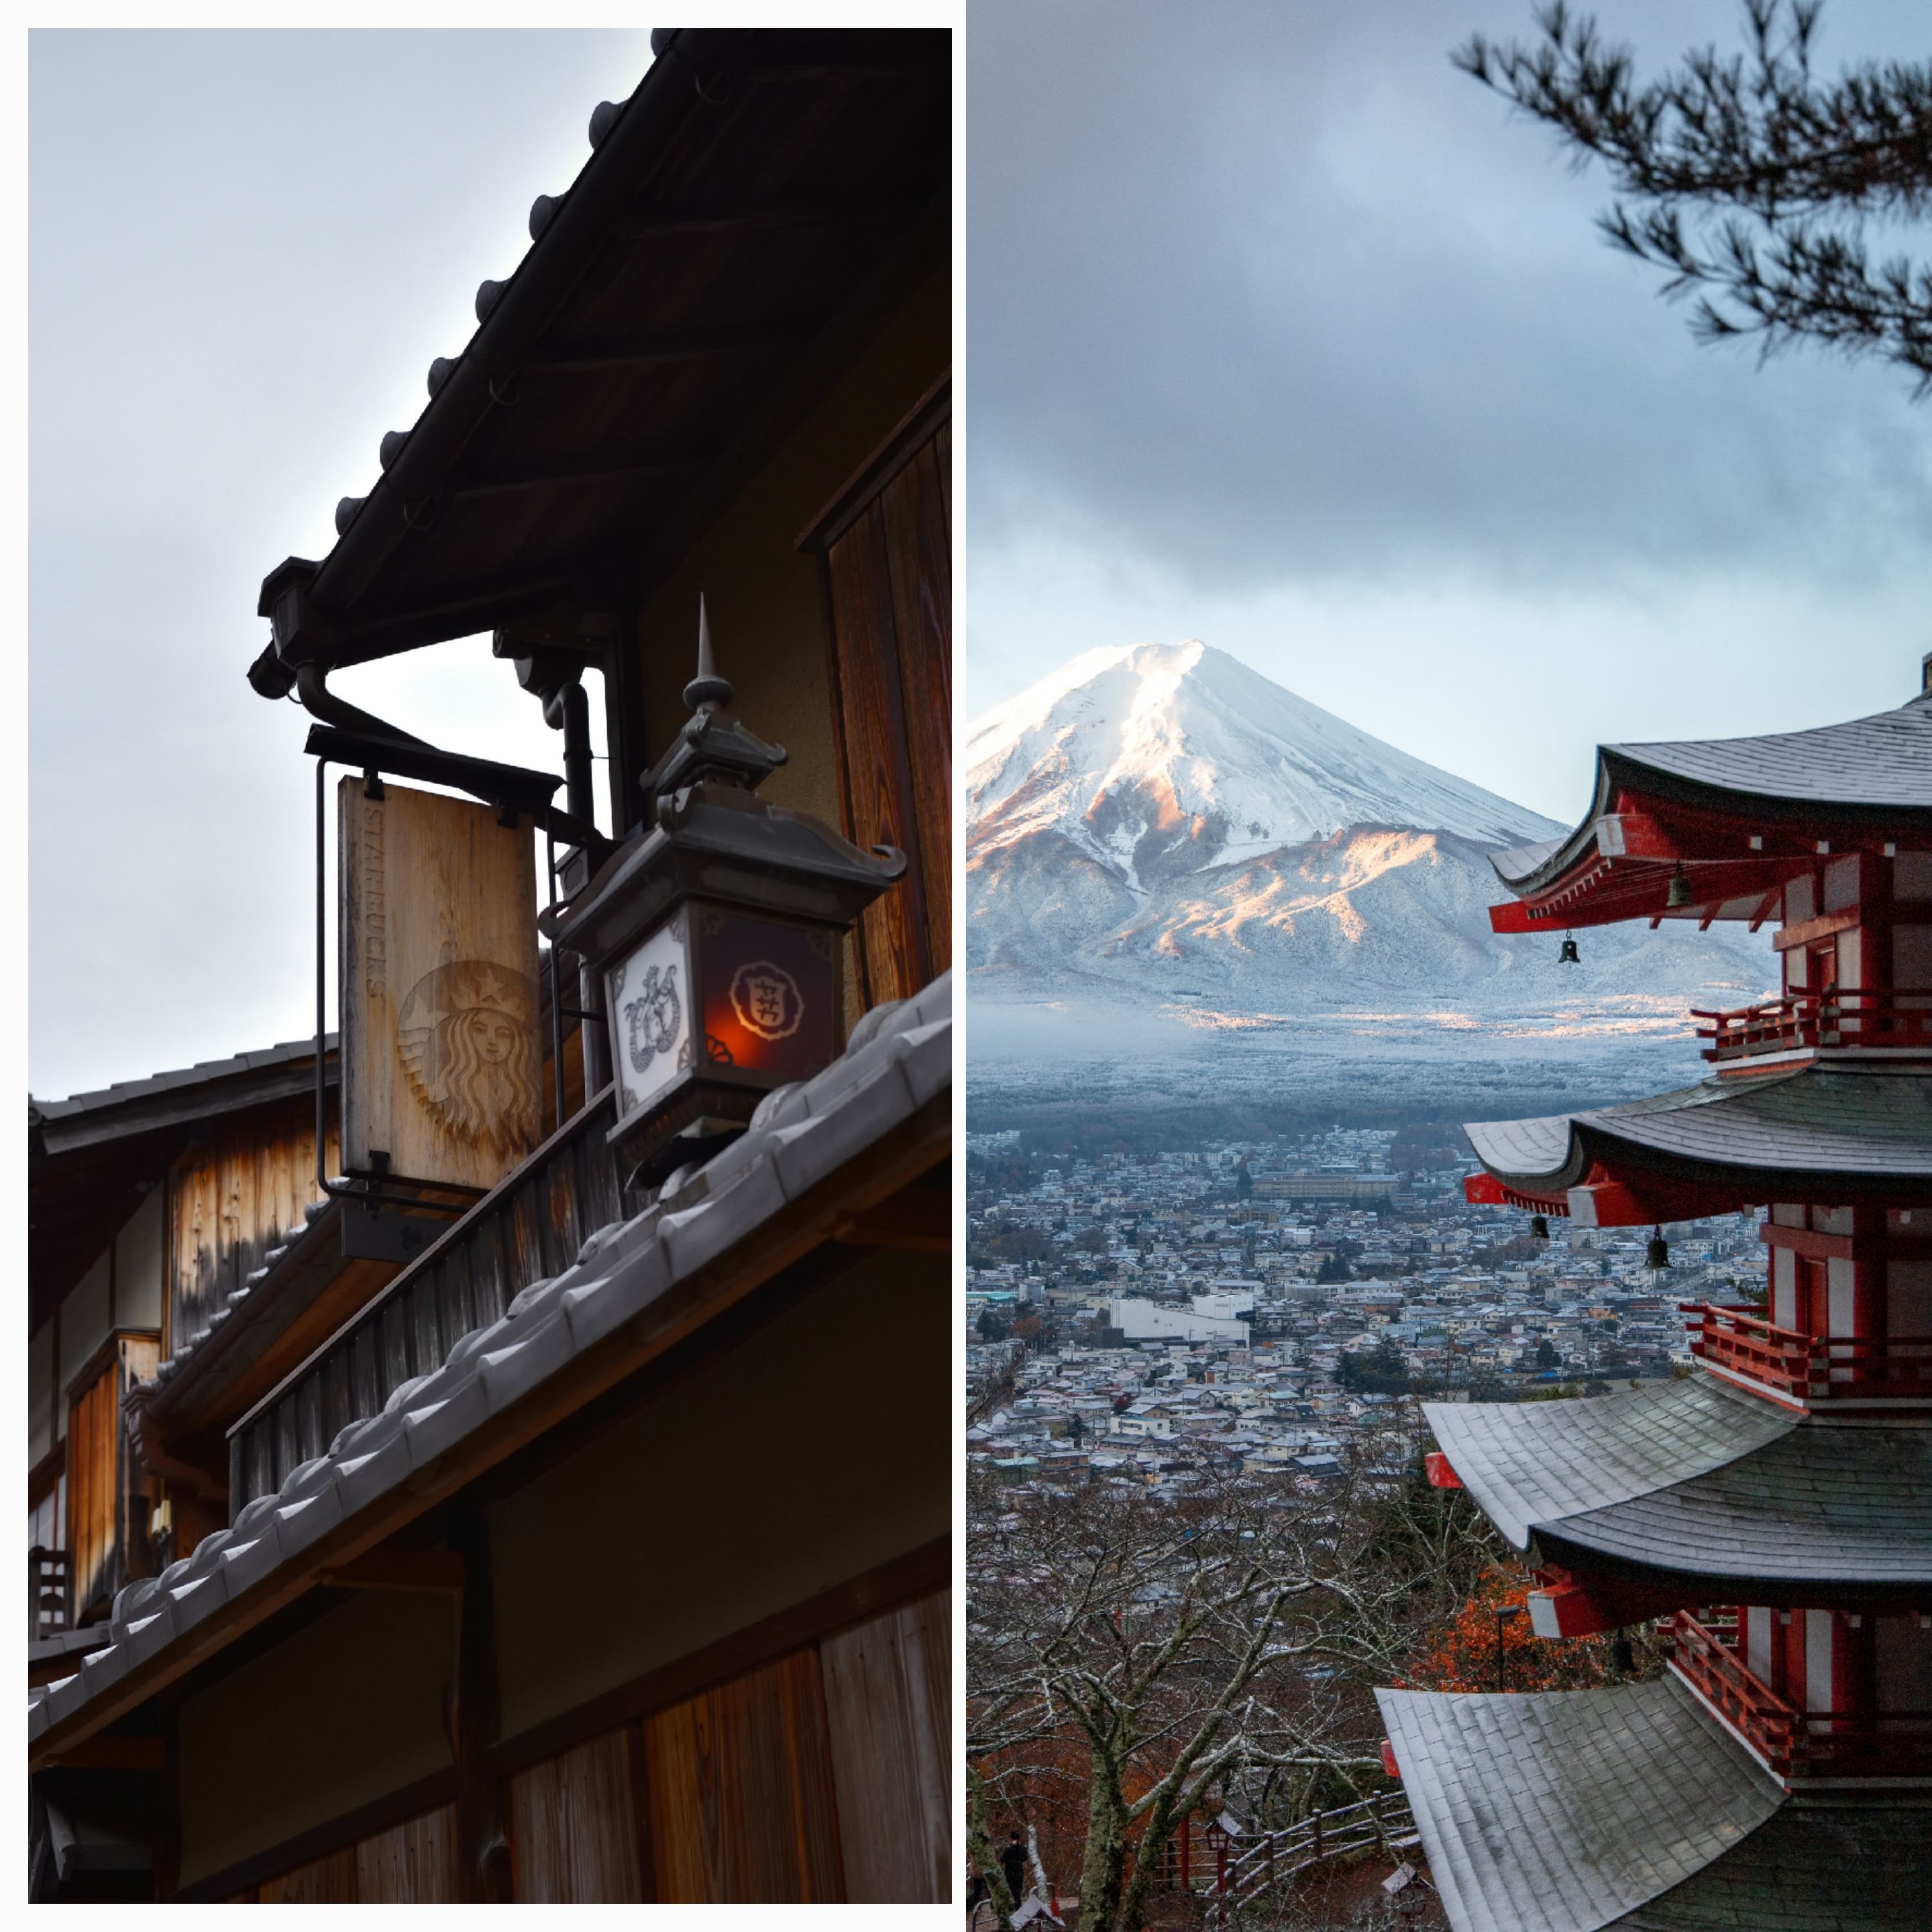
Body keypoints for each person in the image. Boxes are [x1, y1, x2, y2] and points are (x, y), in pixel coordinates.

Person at [1000, 1829, 1028, 1904]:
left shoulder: (1008, 1849)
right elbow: (1025, 1858)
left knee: (1012, 1892)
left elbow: (1002, 1860)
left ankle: (1015, 1908)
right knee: (1017, 1891)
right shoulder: (1023, 1849)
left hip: (1010, 1873)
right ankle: (1018, 1907)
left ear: (1011, 1839)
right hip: (1019, 1872)